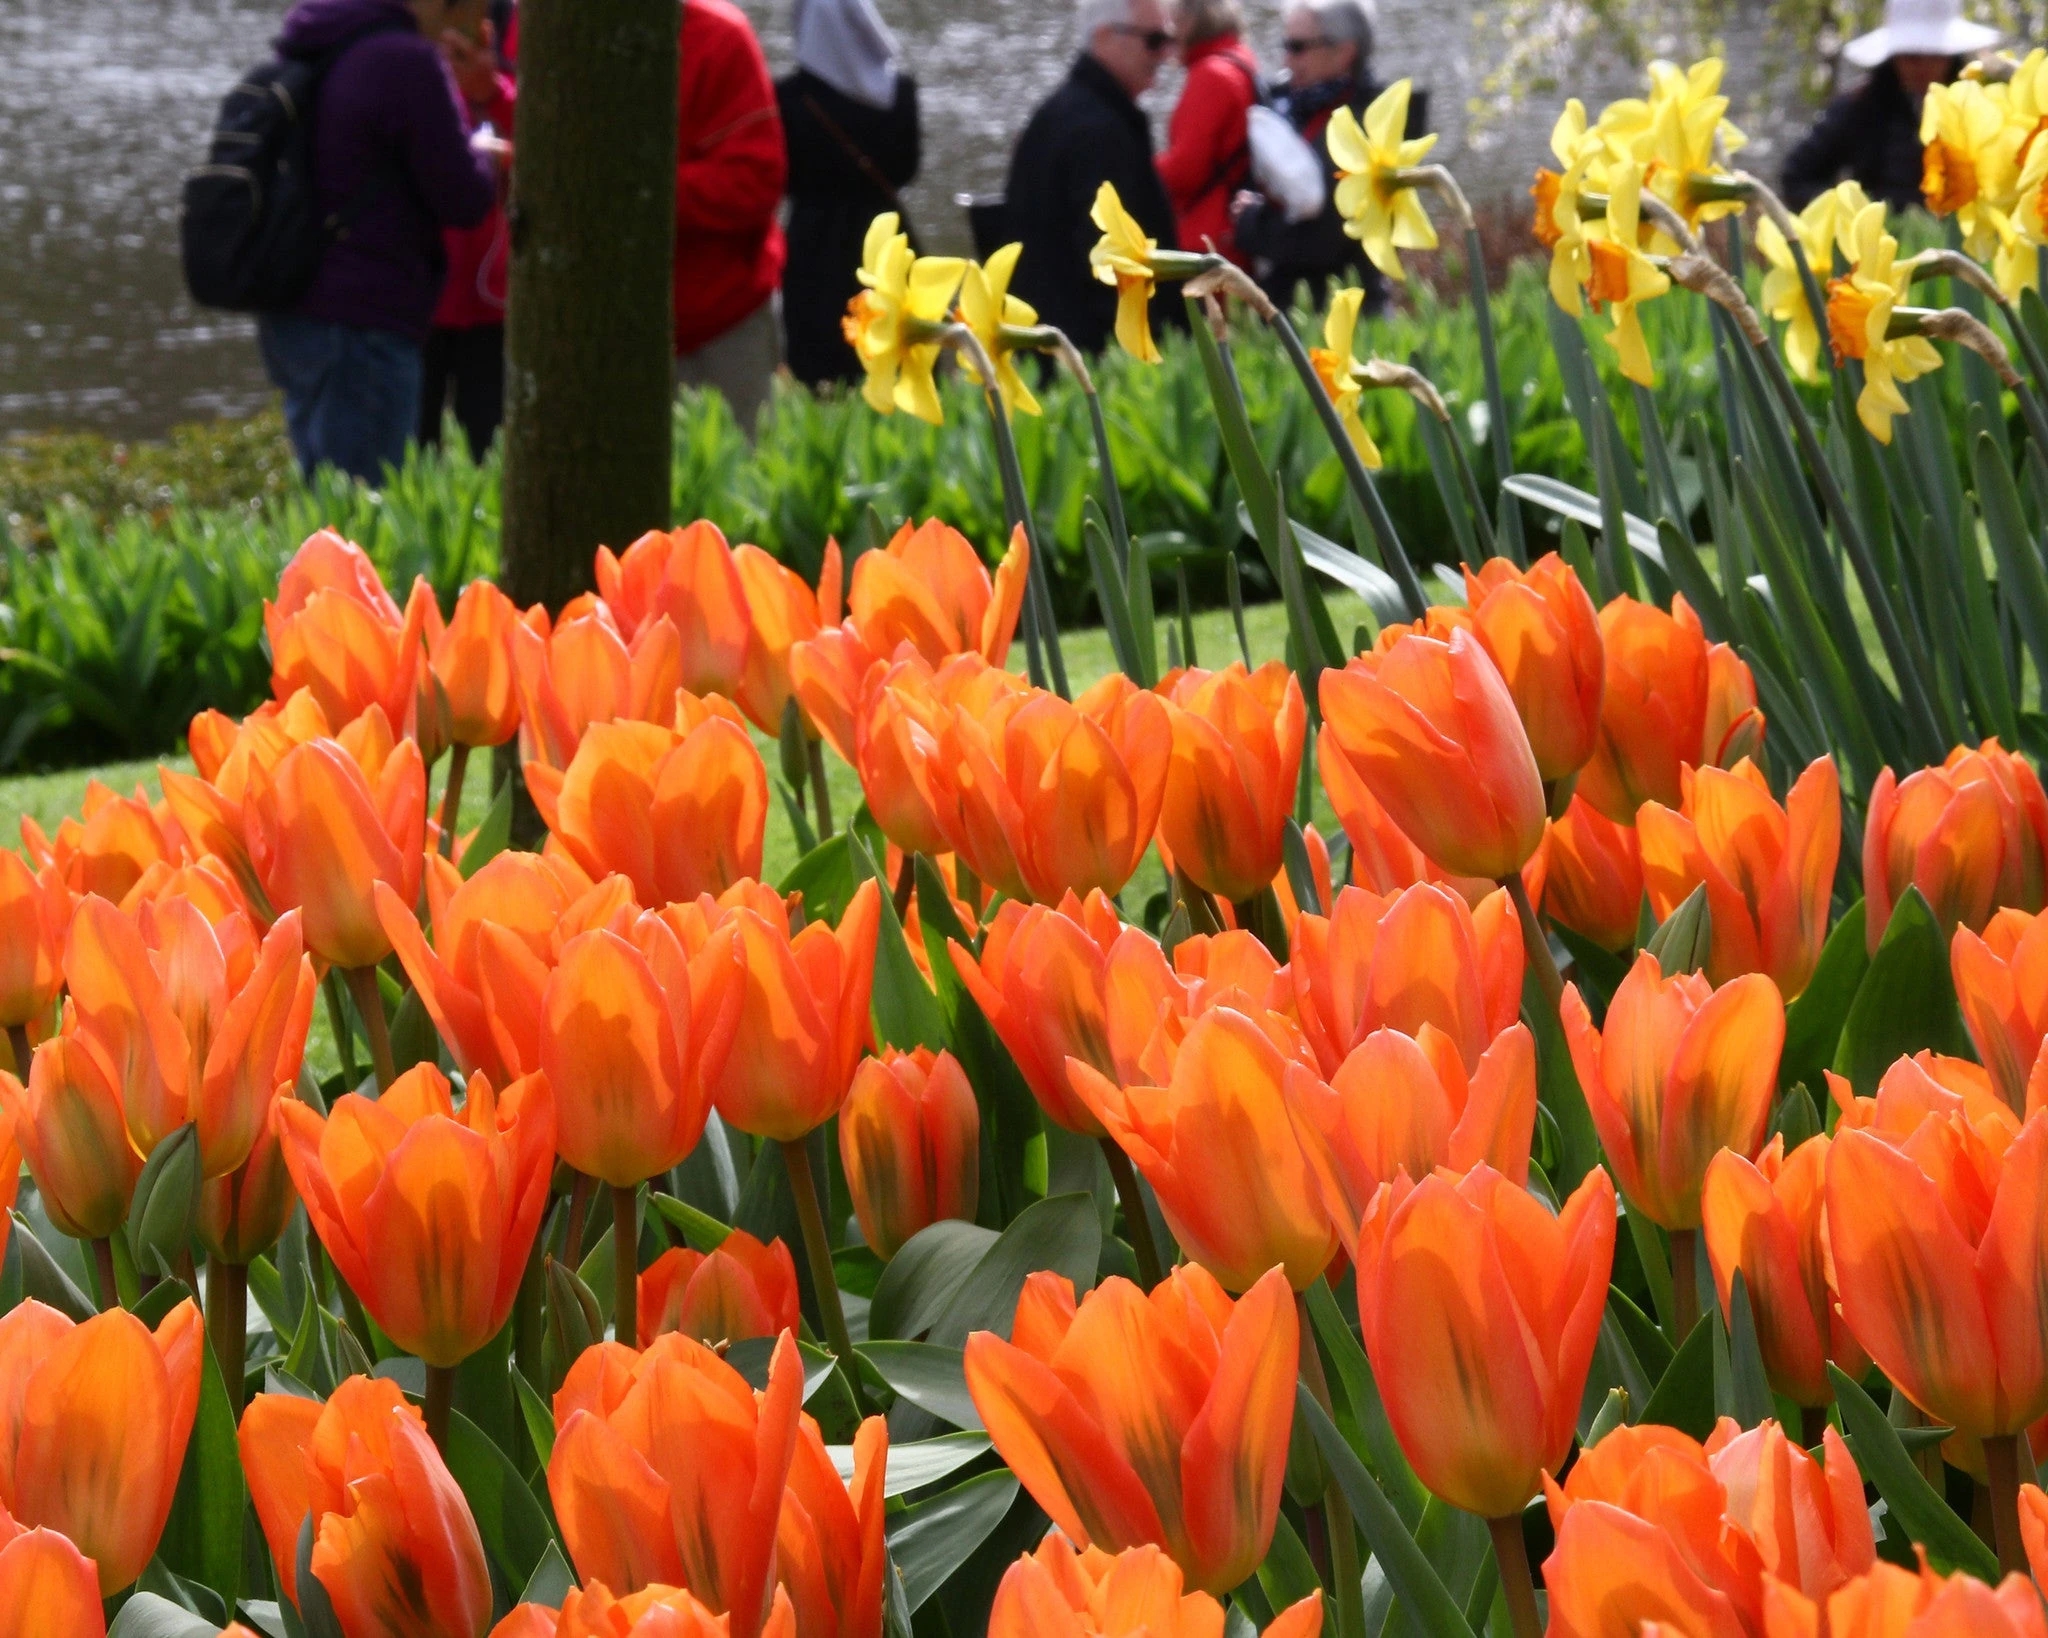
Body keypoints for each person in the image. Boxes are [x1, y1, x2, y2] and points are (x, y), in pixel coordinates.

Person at [258, 0, 506, 484]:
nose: (480, 16)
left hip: (297, 309)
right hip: (365, 321)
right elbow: (464, 198)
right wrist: (485, 154)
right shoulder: (405, 60)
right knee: (362, 513)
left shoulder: (319, 37)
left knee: (324, 498)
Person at [1005, 0, 1181, 355]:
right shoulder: (1097, 129)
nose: (1165, 55)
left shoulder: (1064, 111)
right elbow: (1107, 262)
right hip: (1087, 352)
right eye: (1154, 40)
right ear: (1104, 37)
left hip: (1049, 341)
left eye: (1170, 40)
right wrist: (1137, 349)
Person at [777, 0, 922, 388]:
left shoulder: (788, 99)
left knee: (822, 369)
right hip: (886, 233)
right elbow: (907, 170)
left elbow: (783, 176)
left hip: (812, 249)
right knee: (898, 361)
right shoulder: (900, 93)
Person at [1231, 0, 1399, 313]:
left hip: (1349, 311)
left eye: (1298, 47)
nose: (1286, 59)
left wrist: (1249, 222)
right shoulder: (1291, 105)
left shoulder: (1370, 123)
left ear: (1344, 52)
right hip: (1294, 305)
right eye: (1285, 45)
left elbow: (1323, 238)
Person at [674, 0, 788, 436]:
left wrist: (642, 192)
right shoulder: (565, 32)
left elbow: (757, 181)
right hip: (620, 327)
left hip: (723, 322)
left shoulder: (721, 35)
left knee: (742, 488)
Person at [1782, 0, 2000, 208]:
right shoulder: (1860, 105)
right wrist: (1848, 213)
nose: (1924, 67)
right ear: (1894, 56)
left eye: (1935, 55)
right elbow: (1797, 176)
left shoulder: (1983, 105)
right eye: (1912, 56)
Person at [417, 15, 514, 458]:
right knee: (410, 451)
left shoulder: (513, 28)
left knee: (491, 449)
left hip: (490, 302)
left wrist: (489, 91)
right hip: (417, 301)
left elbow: (545, 146)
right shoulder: (397, 60)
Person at [1156, 0, 1261, 266]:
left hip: (1207, 242)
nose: (1167, 29)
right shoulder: (1241, 60)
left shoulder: (1212, 75)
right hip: (1233, 235)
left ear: (1190, 21)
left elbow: (1184, 171)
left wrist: (1134, 171)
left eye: (1173, 17)